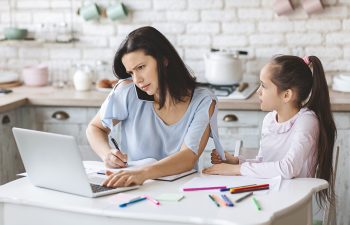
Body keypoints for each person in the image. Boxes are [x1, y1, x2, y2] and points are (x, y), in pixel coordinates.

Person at [86, 26, 224, 188]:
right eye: (131, 72)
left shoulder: (203, 100)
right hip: (133, 187)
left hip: (179, 192)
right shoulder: (127, 92)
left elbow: (188, 156)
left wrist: (143, 173)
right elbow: (95, 128)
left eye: (141, 67)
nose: (137, 79)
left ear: (164, 60)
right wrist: (106, 154)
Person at [203, 55, 336, 207]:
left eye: (264, 86)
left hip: (294, 205)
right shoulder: (269, 120)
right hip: (270, 197)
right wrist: (237, 160)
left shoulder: (306, 121)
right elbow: (265, 162)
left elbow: (288, 168)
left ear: (286, 95)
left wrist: (236, 169)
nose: (258, 91)